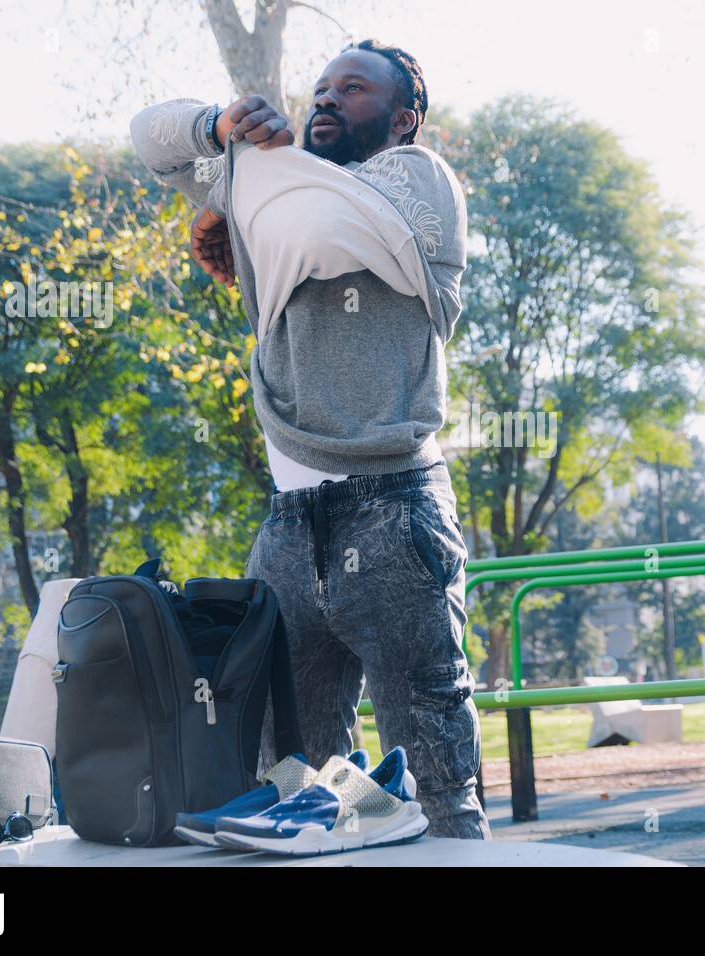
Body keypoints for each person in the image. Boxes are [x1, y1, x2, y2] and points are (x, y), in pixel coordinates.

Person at [130, 39, 488, 840]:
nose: (326, 98)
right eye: (320, 87)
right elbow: (150, 137)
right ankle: (367, 834)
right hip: (289, 523)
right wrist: (213, 125)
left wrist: (249, 191)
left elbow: (317, 223)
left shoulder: (417, 178)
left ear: (403, 119)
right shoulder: (270, 187)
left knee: (436, 776)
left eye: (353, 90)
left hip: (394, 512)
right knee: (299, 777)